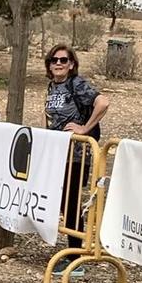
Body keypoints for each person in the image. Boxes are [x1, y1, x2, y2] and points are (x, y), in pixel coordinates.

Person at [44, 45, 111, 233]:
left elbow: (103, 102)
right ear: (49, 65)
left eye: (63, 60)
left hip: (76, 155)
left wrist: (84, 128)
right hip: (57, 152)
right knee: (62, 199)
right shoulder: (52, 86)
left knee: (70, 200)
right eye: (54, 60)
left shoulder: (77, 84)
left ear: (71, 64)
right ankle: (73, 244)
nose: (58, 63)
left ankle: (76, 251)